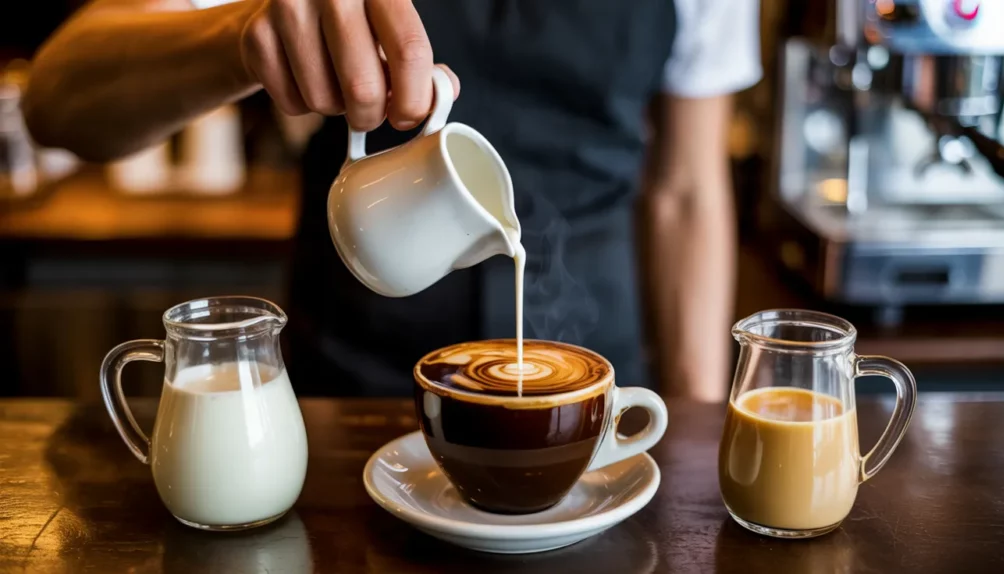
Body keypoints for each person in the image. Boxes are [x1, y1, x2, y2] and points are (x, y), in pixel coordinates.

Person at [24, 0, 761, 401]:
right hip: (346, 395)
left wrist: (699, 415)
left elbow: (686, 192)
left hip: (595, 389)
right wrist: (238, 35)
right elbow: (55, 102)